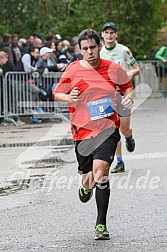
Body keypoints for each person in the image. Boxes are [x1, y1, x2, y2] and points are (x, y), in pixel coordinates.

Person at [53, 28, 134, 240]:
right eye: (85, 49)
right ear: (80, 50)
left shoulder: (113, 68)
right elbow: (57, 94)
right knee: (89, 179)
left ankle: (100, 224)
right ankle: (85, 187)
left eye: (93, 47)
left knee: (101, 172)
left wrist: (128, 98)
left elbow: (127, 87)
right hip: (82, 132)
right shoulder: (73, 70)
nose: (90, 52)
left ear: (99, 47)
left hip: (107, 129)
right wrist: (69, 97)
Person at [100, 22, 139, 173]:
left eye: (112, 33)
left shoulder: (124, 51)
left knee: (123, 128)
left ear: (116, 34)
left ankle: (129, 137)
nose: (109, 36)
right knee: (112, 129)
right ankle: (120, 161)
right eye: (106, 33)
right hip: (108, 95)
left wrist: (126, 74)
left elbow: (136, 69)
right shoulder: (100, 52)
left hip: (124, 93)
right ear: (102, 35)